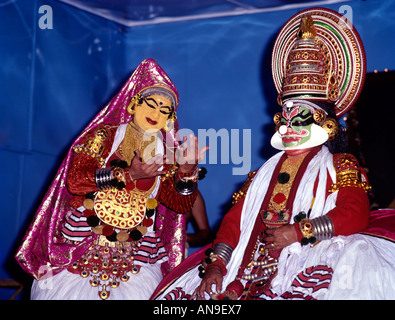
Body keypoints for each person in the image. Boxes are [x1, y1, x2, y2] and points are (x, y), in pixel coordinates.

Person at [151, 8, 395, 300]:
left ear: (327, 124)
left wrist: (298, 232)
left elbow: (355, 214)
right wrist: (216, 264)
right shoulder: (261, 175)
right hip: (244, 274)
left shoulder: (339, 164)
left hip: (306, 262)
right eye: (286, 116)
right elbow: (234, 224)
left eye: (301, 116)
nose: (289, 125)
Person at [15, 58, 208, 300]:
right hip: (81, 247)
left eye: (164, 109)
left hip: (138, 257)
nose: (156, 113)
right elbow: (75, 180)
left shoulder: (167, 153)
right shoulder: (102, 136)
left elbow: (179, 205)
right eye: (152, 104)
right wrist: (129, 175)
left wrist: (186, 173)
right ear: (133, 104)